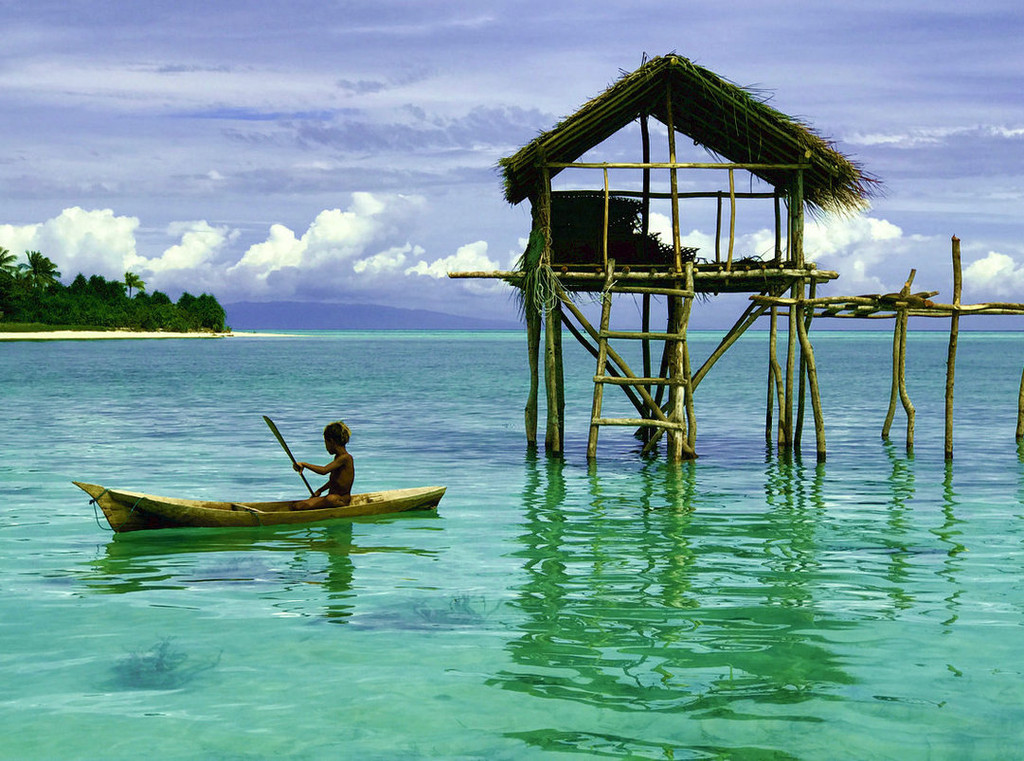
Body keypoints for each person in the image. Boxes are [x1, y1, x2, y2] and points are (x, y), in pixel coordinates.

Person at [292, 421, 354, 509]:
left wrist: (304, 464)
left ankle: (341, 506)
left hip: (341, 500)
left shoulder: (346, 458)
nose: (326, 446)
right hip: (331, 498)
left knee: (330, 499)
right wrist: (319, 491)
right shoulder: (338, 457)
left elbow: (324, 470)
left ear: (332, 442)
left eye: (326, 442)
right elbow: (335, 481)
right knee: (297, 506)